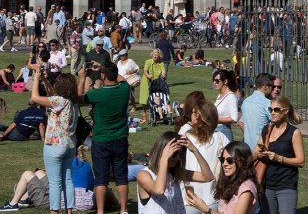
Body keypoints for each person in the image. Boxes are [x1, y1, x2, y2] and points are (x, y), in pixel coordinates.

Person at [79, 61, 132, 214]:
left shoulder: (97, 94)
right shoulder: (124, 89)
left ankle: (100, 211)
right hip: (120, 138)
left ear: (103, 76)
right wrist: (105, 68)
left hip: (101, 139)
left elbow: (78, 97)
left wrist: (82, 78)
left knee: (101, 178)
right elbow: (122, 79)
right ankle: (123, 209)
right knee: (121, 176)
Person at [25, 69, 79, 214]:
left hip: (54, 146)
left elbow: (35, 98)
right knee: (68, 181)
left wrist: (36, 79)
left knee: (55, 183)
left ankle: (54, 211)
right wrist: (45, 80)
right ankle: (69, 211)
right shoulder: (72, 103)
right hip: (69, 146)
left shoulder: (60, 101)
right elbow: (52, 94)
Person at [136, 132, 215, 214]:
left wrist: (195, 150)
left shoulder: (174, 173)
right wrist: (164, 159)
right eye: (174, 154)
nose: (177, 158)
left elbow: (207, 177)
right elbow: (159, 190)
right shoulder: (144, 174)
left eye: (180, 154)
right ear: (161, 152)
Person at [253, 96, 305, 214]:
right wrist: (259, 153)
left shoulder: (294, 133)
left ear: (285, 111)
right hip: (266, 185)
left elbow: (301, 161)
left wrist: (279, 158)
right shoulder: (266, 129)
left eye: (276, 110)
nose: (272, 113)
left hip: (286, 185)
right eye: (270, 110)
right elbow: (254, 154)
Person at [180, 101, 228, 214]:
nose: (191, 116)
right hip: (212, 197)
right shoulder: (221, 137)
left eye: (193, 113)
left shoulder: (186, 136)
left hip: (189, 198)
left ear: (198, 117)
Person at [186, 141, 258, 214]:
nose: (224, 164)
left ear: (242, 161)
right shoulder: (231, 181)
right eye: (222, 160)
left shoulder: (246, 188)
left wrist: (206, 209)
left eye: (230, 160)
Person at [241, 73, 273, 151]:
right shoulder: (267, 103)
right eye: (271, 86)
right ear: (265, 86)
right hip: (262, 147)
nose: (272, 89)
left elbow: (241, 122)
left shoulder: (246, 101)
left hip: (247, 147)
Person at [213, 69, 240, 141]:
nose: (214, 83)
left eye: (217, 81)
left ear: (225, 81)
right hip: (216, 131)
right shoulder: (219, 96)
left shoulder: (231, 97)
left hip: (224, 132)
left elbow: (234, 119)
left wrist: (215, 120)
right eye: (214, 80)